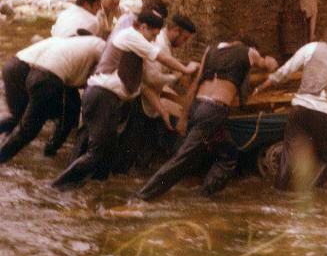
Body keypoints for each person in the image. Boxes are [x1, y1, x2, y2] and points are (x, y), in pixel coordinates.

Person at [52, 11, 197, 189]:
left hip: (109, 98)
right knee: (97, 152)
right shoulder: (131, 35)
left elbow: (145, 79)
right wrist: (185, 70)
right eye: (152, 34)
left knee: (107, 151)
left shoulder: (137, 40)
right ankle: (58, 187)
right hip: (102, 95)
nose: (153, 39)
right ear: (143, 27)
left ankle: (97, 190)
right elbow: (158, 63)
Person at [136, 37, 276, 200]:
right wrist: (269, 61)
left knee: (228, 154)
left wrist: (184, 118)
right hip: (214, 111)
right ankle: (142, 196)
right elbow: (270, 65)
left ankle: (203, 195)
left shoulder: (210, 51)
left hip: (199, 107)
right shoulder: (248, 52)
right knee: (182, 159)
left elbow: (195, 84)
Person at [263, 20, 327, 190]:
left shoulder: (311, 47)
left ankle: (278, 192)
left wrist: (264, 85)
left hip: (299, 109)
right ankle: (309, 192)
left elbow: (285, 71)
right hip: (324, 112)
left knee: (289, 155)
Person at [0, 34, 105, 163]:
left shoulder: (72, 41)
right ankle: (48, 151)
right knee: (29, 128)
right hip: (46, 76)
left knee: (21, 120)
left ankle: (49, 151)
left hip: (21, 67)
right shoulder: (101, 47)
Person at [115, 14, 197, 172]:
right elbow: (152, 79)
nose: (184, 43)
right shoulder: (160, 45)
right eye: (184, 38)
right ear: (175, 30)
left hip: (149, 101)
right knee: (131, 144)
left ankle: (131, 176)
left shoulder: (164, 44)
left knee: (141, 144)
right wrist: (178, 75)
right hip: (141, 99)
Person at [0, 36, 62, 136]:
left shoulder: (37, 51)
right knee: (22, 119)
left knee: (17, 117)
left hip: (12, 69)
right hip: (27, 77)